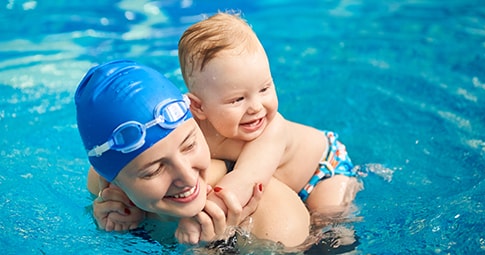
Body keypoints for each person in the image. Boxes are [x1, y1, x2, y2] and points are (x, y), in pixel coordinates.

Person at [75, 59, 310, 248]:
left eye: (189, 145)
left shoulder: (275, 223)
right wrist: (111, 228)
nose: (187, 177)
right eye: (154, 170)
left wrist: (222, 246)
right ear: (114, 180)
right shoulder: (104, 189)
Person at [176, 11, 366, 239]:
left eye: (264, 88)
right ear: (198, 107)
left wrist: (199, 219)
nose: (256, 107)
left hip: (322, 171)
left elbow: (243, 181)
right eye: (238, 99)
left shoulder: (272, 130)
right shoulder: (189, 126)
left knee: (331, 230)